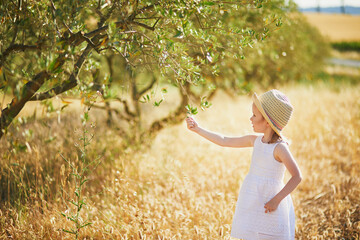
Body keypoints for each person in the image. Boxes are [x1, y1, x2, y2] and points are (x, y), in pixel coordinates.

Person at [186, 89, 302, 240]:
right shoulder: (255, 140)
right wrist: (198, 129)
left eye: (254, 115)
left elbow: (297, 176)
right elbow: (224, 140)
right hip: (253, 200)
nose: (250, 118)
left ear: (267, 122)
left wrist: (276, 200)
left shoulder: (279, 148)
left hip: (271, 204)